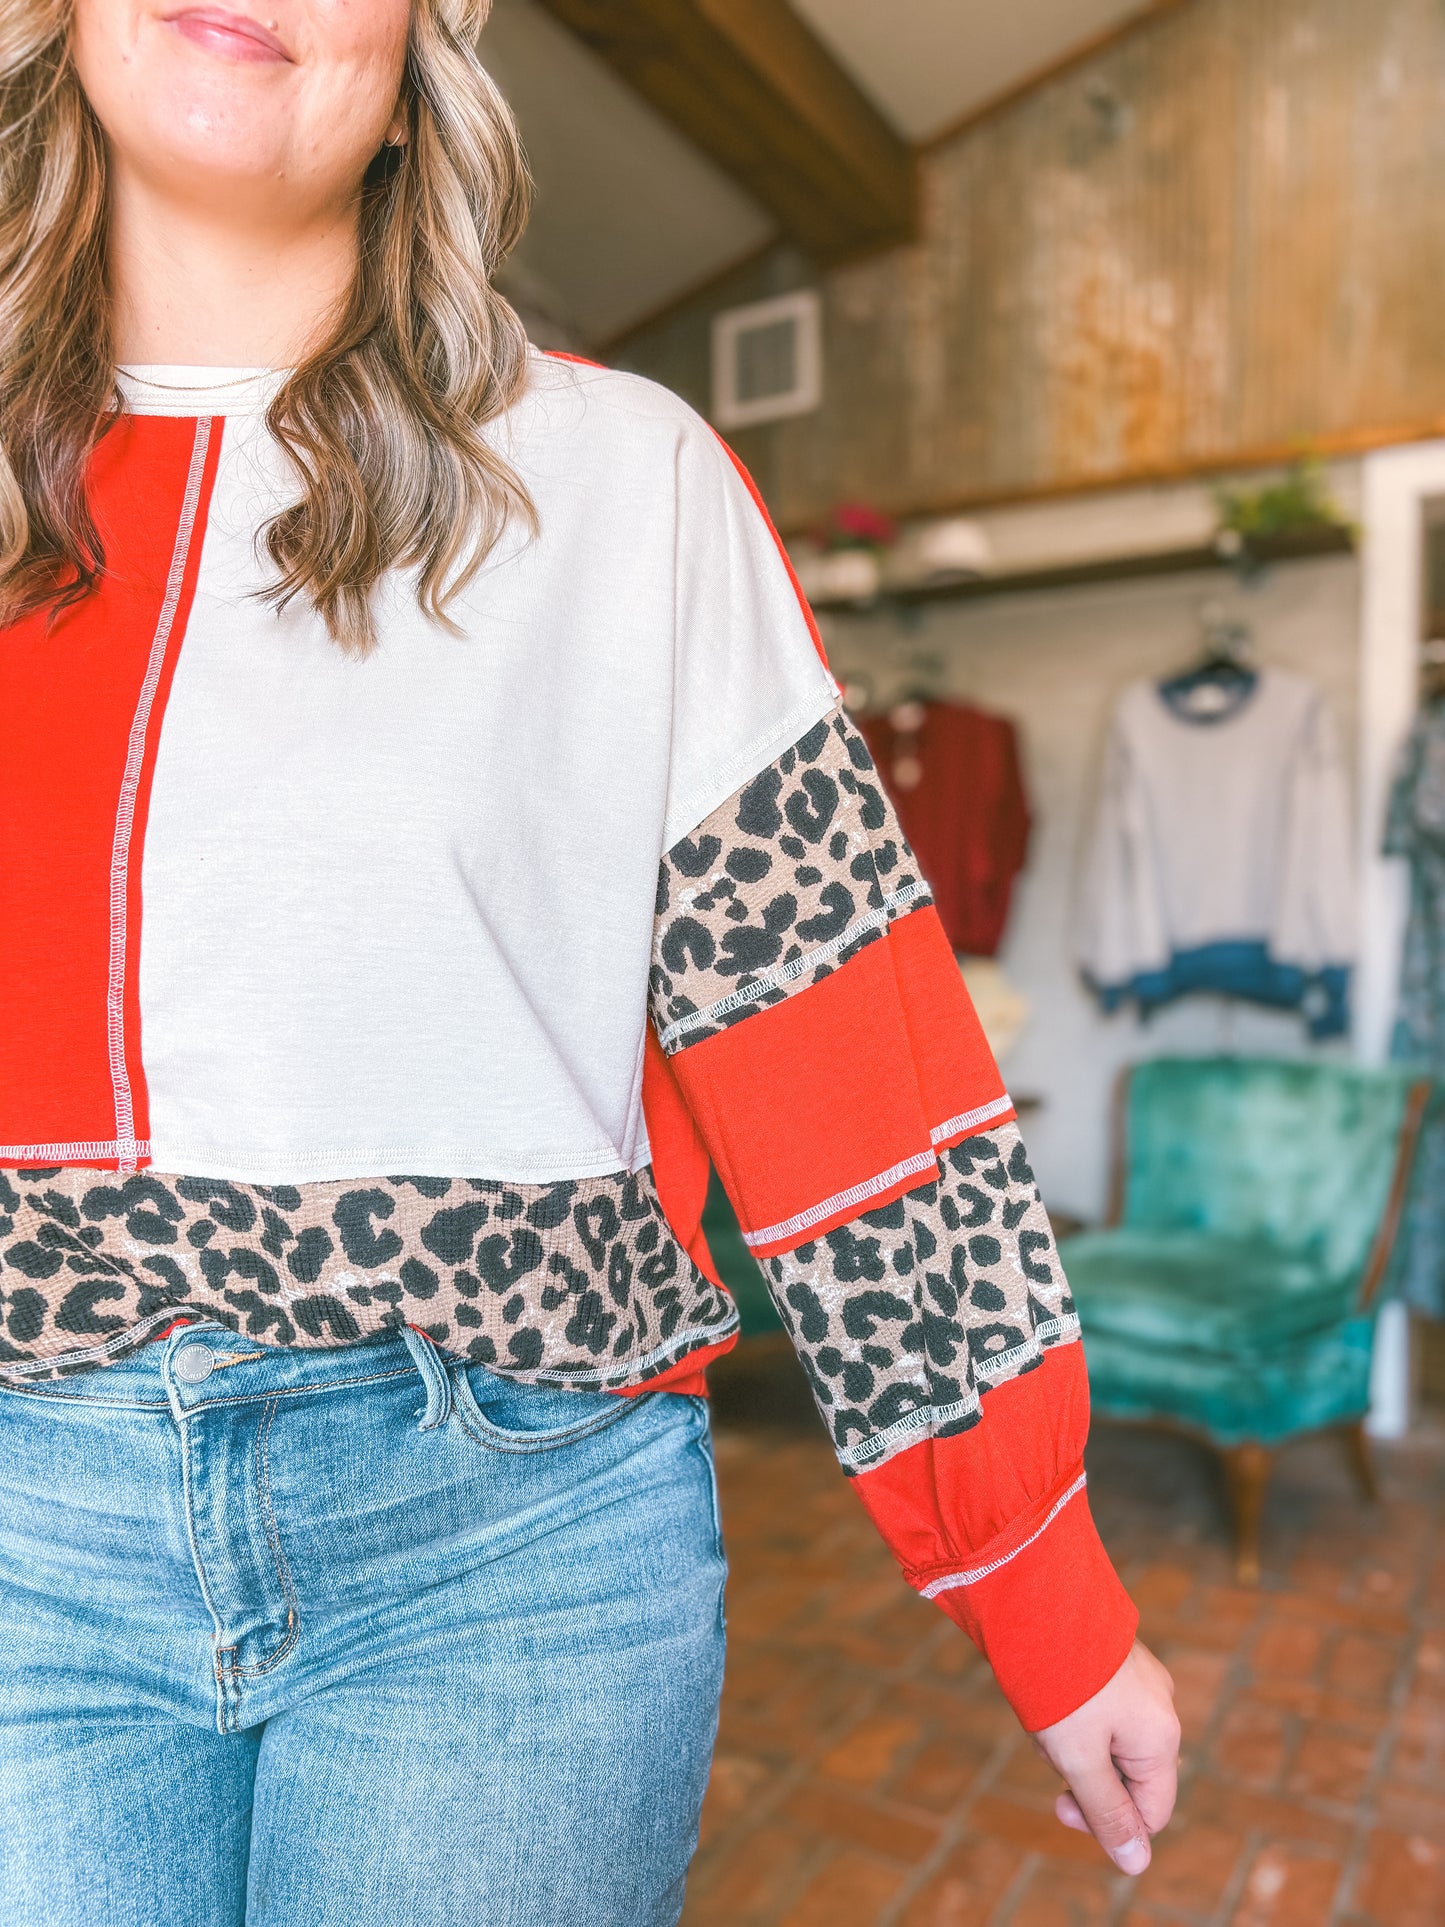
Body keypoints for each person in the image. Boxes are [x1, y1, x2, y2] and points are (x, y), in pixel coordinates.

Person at [0, 0, 1180, 1919]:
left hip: (509, 1542)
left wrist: (1035, 1577)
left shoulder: (624, 480)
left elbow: (842, 1048)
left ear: (419, 53)